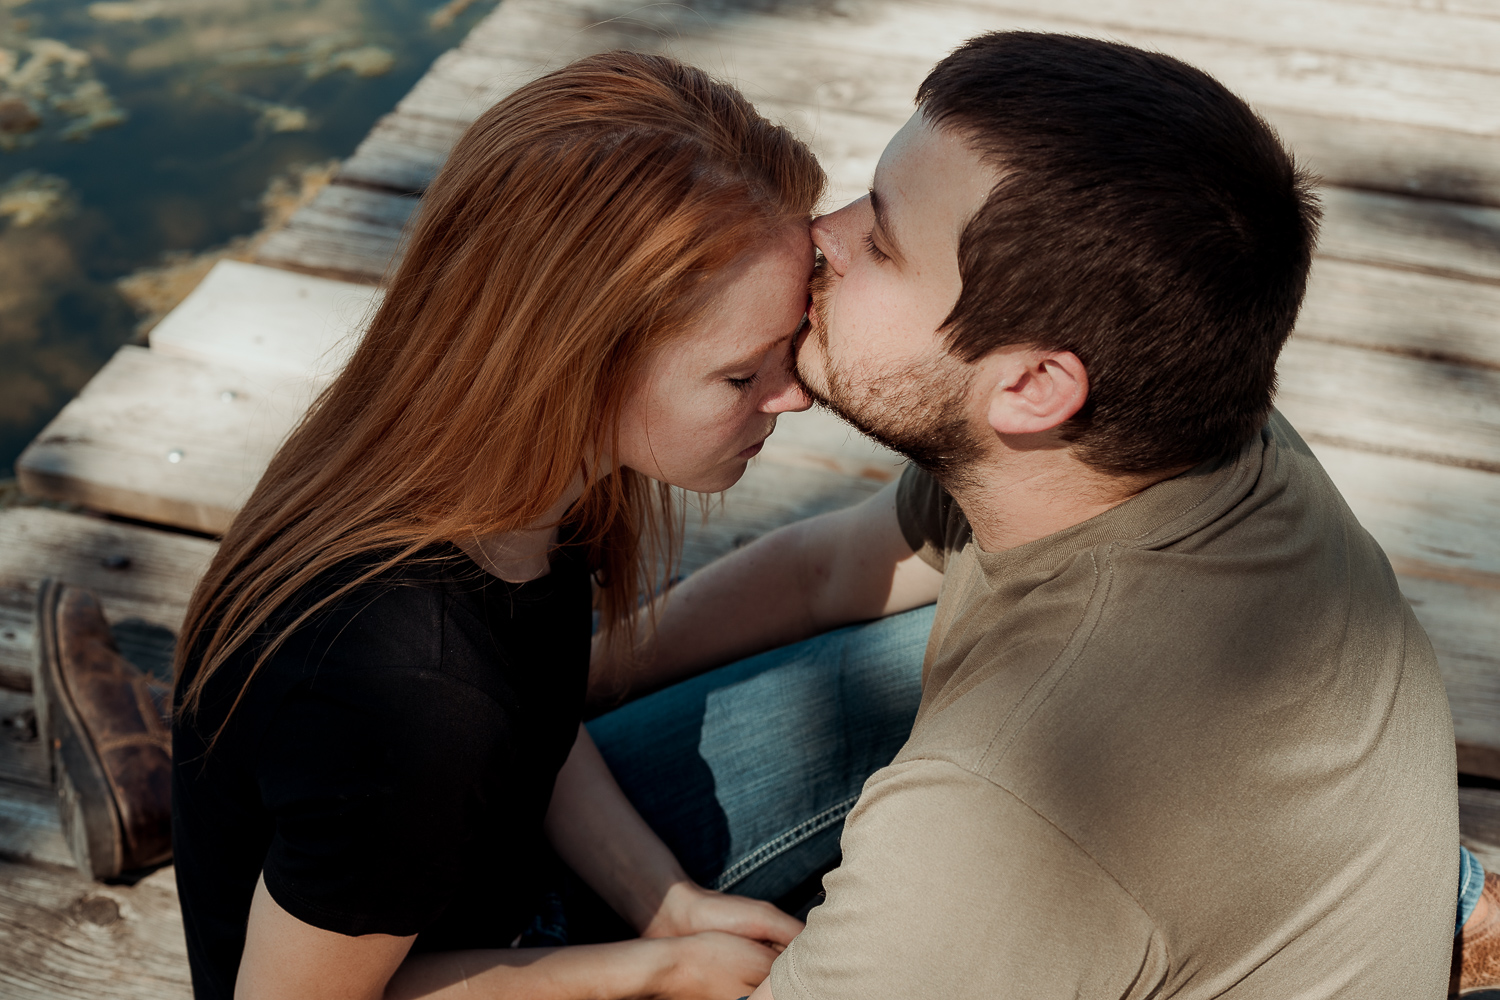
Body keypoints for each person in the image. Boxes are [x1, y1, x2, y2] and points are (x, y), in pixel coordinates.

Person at [586, 31, 1461, 998]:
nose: (817, 234)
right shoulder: (1148, 432)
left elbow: (983, 819)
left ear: (1034, 386)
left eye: (879, 241)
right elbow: (827, 574)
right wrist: (578, 678)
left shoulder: (993, 814)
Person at [154, 51, 827, 1000]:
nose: (794, 395)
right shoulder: (412, 697)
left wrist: (660, 898)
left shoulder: (504, 473)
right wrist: (656, 972)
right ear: (579, 366)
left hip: (473, 863)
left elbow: (533, 718)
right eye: (741, 373)